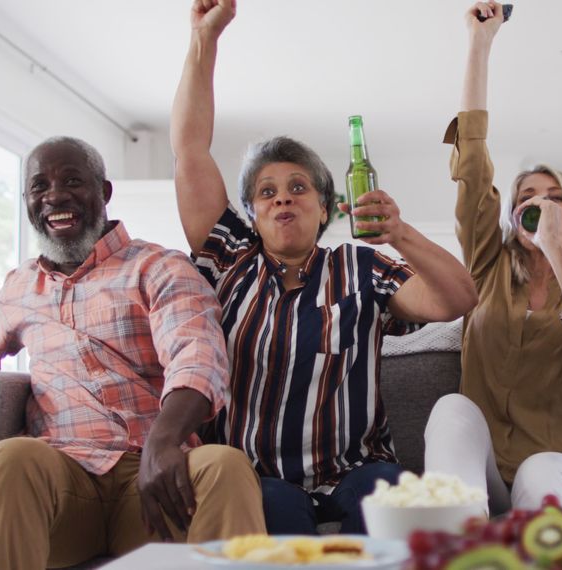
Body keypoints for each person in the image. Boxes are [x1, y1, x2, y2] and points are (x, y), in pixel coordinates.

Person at [171, 0, 478, 535]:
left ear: (326, 206)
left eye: (297, 188)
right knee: (279, 519)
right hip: (256, 474)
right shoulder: (230, 257)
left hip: (359, 471)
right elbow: (189, 150)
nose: (282, 200)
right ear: (252, 213)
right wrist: (205, 39)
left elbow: (457, 299)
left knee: (395, 509)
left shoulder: (360, 264)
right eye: (267, 193)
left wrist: (401, 233)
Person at [0, 137, 266, 569]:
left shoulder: (157, 267)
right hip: (64, 482)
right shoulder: (19, 287)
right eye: (39, 187)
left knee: (225, 467)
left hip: (154, 481)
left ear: (103, 193)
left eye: (72, 180)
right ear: (28, 201)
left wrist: (164, 442)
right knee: (10, 458)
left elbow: (196, 356)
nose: (55, 196)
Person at [423, 1, 562, 516]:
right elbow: (472, 167)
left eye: (552, 196)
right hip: (494, 474)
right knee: (451, 409)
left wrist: (557, 252)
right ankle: (458, 544)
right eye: (526, 197)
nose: (537, 204)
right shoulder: (487, 269)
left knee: (540, 472)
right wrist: (480, 44)